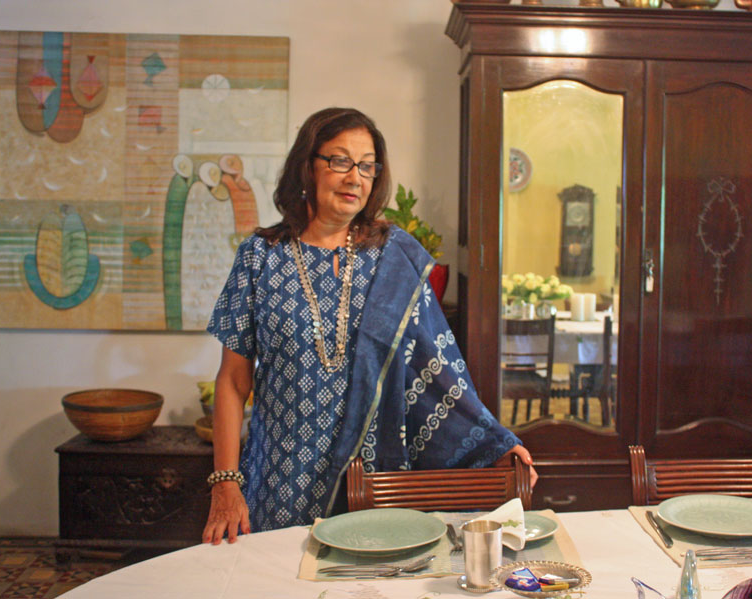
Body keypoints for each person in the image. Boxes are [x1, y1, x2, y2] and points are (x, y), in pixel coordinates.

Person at [202, 107, 536, 545]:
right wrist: (226, 483)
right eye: (340, 161)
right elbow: (232, 381)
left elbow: (438, 374)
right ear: (307, 166)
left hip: (374, 486)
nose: (354, 177)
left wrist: (494, 442)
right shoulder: (259, 257)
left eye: (366, 166)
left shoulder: (395, 258)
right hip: (278, 480)